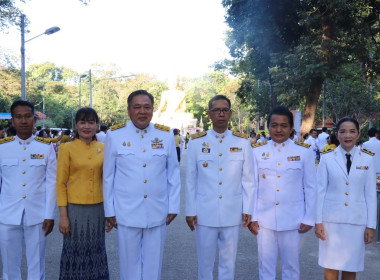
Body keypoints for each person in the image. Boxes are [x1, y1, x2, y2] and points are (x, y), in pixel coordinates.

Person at [103, 89, 181, 280]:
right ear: (129, 110)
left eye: (147, 107)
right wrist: (109, 211)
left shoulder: (166, 135)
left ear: (153, 110)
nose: (142, 111)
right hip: (126, 211)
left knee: (153, 266)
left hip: (157, 210)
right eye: (137, 107)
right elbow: (108, 176)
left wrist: (173, 206)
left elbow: (173, 173)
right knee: (129, 265)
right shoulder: (115, 135)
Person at [186, 95, 255, 280]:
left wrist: (248, 209)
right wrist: (190, 210)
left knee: (228, 263)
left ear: (230, 113)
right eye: (216, 110)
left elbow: (248, 180)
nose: (221, 114)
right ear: (209, 114)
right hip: (204, 212)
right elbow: (191, 180)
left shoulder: (242, 141)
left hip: (232, 212)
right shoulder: (196, 142)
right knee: (205, 263)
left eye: (225, 110)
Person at [249, 106, 317, 280]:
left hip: (294, 219)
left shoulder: (303, 151)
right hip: (264, 220)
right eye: (274, 125)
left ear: (291, 128)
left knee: (291, 267)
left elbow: (311, 187)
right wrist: (252, 216)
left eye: (284, 125)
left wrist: (309, 217)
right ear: (268, 127)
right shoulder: (256, 151)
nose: (278, 130)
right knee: (265, 267)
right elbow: (252, 186)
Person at [0, 100, 57, 279]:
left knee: (36, 265)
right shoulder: (3, 148)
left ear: (34, 119)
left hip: (38, 214)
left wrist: (49, 214)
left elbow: (51, 183)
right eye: (18, 117)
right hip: (7, 214)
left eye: (27, 116)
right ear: (12, 121)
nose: (23, 121)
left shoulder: (45, 147)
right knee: (9, 266)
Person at [315, 117, 377, 280]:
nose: (347, 135)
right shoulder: (327, 157)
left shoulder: (368, 158)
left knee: (351, 267)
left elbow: (370, 195)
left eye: (352, 131)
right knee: (331, 268)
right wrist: (318, 221)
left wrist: (371, 226)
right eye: (342, 131)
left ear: (358, 134)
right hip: (331, 223)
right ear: (336, 134)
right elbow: (320, 191)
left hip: (356, 222)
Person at [56, 107, 109, 279]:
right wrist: (63, 216)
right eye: (82, 122)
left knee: (96, 250)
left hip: (98, 209)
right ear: (76, 125)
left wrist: (109, 213)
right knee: (74, 251)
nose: (87, 126)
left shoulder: (104, 148)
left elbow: (108, 182)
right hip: (74, 210)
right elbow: (61, 184)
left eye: (91, 122)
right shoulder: (67, 148)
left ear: (96, 125)